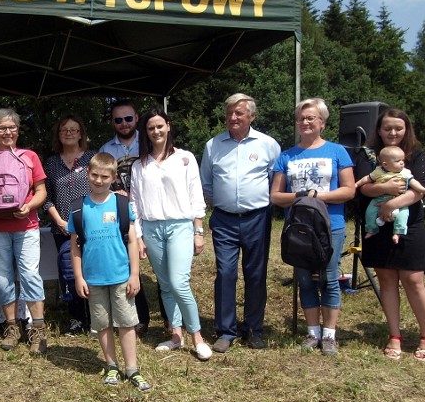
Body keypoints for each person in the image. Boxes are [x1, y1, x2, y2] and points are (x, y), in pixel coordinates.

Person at [270, 98, 355, 356]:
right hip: (298, 228)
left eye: (310, 118)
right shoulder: (286, 156)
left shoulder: (337, 151)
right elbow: (275, 195)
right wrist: (301, 197)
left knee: (329, 278)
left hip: (331, 226)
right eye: (301, 118)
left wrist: (317, 197)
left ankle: (329, 335)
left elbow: (349, 190)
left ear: (322, 123)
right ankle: (312, 332)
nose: (305, 122)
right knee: (305, 280)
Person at [200, 93, 281, 353]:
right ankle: (225, 330)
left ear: (251, 116)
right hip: (223, 219)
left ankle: (254, 329)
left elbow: (274, 181)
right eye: (229, 113)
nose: (233, 118)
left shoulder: (268, 144)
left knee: (255, 274)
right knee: (225, 273)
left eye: (239, 113)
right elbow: (207, 184)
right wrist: (225, 203)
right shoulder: (213, 145)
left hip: (257, 217)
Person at [354, 108, 425, 361]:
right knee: (387, 280)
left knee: (413, 280)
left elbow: (419, 190)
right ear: (378, 130)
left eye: (398, 128)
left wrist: (392, 203)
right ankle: (395, 335)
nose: (392, 132)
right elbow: (362, 187)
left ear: (406, 130)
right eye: (387, 128)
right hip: (377, 226)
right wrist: (384, 188)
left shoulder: (416, 155)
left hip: (409, 224)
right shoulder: (368, 156)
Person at [131, 109, 212, 361]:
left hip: (180, 226)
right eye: (150, 128)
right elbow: (135, 204)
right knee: (165, 285)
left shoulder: (185, 158)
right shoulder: (139, 165)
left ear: (168, 126)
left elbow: (195, 195)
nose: (155, 131)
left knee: (179, 283)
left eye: (159, 126)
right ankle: (176, 335)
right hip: (152, 229)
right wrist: (139, 237)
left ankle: (197, 336)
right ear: (145, 133)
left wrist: (198, 231)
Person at [69, 153, 152, 391]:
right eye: (94, 175)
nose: (98, 180)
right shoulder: (78, 208)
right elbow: (75, 247)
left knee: (126, 323)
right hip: (93, 279)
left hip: (120, 276)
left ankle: (132, 369)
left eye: (104, 176)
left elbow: (132, 241)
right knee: (102, 324)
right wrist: (78, 277)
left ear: (113, 177)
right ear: (88, 174)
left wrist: (135, 274)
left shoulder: (122, 205)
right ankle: (111, 365)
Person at [0, 108, 49, 355]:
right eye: (2, 128)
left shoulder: (30, 156)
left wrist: (29, 206)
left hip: (26, 226)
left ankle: (37, 328)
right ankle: (12, 326)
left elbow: (41, 191)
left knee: (30, 275)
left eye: (11, 127)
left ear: (18, 130)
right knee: (2, 278)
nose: (7, 132)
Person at [98, 99, 159, 335]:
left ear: (136, 118)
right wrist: (115, 192)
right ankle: (139, 318)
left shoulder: (149, 143)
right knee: (129, 265)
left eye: (128, 118)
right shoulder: (105, 149)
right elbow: (100, 180)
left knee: (161, 269)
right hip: (122, 214)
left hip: (151, 211)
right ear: (113, 123)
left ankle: (170, 319)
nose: (124, 124)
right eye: (118, 120)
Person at [43, 115, 95, 335]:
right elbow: (46, 198)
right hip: (63, 228)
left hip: (92, 227)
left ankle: (96, 317)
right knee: (69, 272)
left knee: (93, 270)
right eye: (64, 130)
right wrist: (60, 221)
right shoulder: (51, 163)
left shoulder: (92, 159)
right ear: (59, 135)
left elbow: (103, 190)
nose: (69, 133)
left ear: (81, 134)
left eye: (74, 130)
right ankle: (77, 318)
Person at [356, 145, 425, 243]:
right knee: (370, 212)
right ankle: (372, 229)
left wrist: (423, 189)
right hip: (379, 199)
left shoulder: (405, 172)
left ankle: (398, 232)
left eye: (402, 160)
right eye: (398, 161)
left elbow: (413, 183)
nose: (402, 163)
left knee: (403, 215)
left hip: (400, 200)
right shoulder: (378, 171)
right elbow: (366, 179)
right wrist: (357, 184)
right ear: (385, 164)